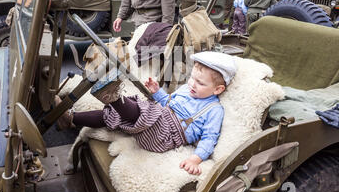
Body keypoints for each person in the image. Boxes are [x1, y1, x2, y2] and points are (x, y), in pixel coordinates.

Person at [55, 51, 237, 175]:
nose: (192, 84)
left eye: (200, 83)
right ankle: (71, 119)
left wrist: (195, 160)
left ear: (218, 89)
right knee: (114, 114)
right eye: (192, 78)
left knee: (140, 111)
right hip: (160, 115)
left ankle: (113, 97)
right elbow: (168, 102)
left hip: (168, 135)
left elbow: (209, 138)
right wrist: (157, 92)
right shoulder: (187, 89)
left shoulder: (214, 110)